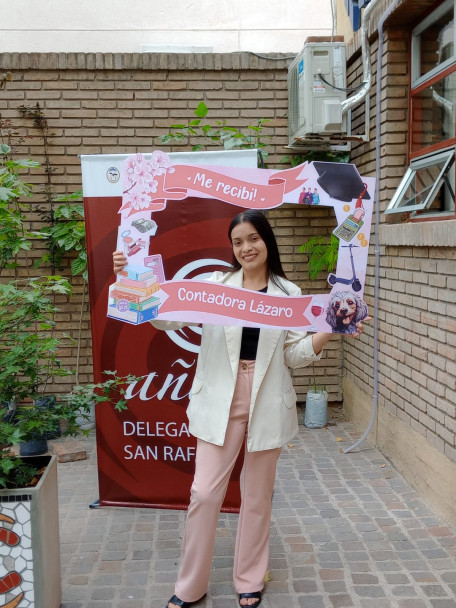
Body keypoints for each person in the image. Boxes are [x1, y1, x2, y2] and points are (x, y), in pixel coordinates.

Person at [112, 210, 369, 608]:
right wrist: (130, 277)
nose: (246, 247)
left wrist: (326, 333)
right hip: (220, 395)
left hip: (266, 396)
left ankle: (249, 578)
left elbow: (293, 355)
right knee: (203, 492)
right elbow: (165, 320)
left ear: (267, 241)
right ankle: (190, 585)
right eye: (237, 241)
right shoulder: (215, 285)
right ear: (231, 248)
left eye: (253, 238)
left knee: (257, 495)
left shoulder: (288, 292)